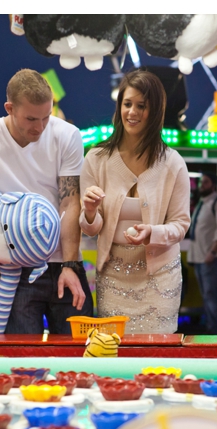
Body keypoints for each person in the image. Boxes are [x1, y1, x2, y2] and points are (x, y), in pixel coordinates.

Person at [0, 68, 93, 334]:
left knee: (80, 351)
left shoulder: (67, 135)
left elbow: (70, 203)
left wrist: (70, 265)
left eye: (46, 117)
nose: (40, 127)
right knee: (21, 355)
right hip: (13, 268)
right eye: (31, 118)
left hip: (64, 262)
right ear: (9, 108)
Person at [79, 69, 191, 334]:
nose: (132, 112)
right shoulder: (96, 159)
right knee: (112, 351)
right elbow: (89, 229)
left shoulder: (173, 163)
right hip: (112, 277)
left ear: (156, 111)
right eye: (127, 104)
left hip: (160, 279)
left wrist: (152, 233)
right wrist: (90, 211)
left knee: (156, 354)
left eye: (142, 106)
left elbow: (180, 224)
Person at [186, 171, 217, 335]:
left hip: (211, 258)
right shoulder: (202, 204)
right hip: (199, 258)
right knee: (206, 296)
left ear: (213, 185)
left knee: (212, 295)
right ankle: (210, 328)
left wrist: (213, 252)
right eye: (201, 182)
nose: (202, 185)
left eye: (206, 182)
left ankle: (215, 332)